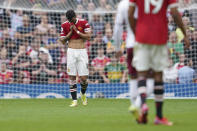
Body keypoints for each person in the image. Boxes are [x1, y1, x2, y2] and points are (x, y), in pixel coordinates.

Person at [128, 0, 190, 126]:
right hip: (159, 37)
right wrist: (184, 33)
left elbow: (130, 14)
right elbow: (175, 13)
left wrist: (137, 32)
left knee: (142, 73)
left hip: (142, 36)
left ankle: (143, 104)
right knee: (158, 75)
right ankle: (159, 116)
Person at [113, 0, 154, 121]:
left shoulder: (123, 4)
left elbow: (117, 27)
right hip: (146, 44)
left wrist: (117, 47)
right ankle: (137, 105)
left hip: (130, 45)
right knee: (152, 78)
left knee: (134, 78)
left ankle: (138, 113)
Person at [59, 9, 92, 107]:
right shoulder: (64, 25)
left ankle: (83, 93)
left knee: (84, 78)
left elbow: (89, 37)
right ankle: (74, 100)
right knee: (72, 77)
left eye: (71, 19)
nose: (70, 21)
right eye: (69, 20)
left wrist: (76, 31)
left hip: (82, 51)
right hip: (71, 52)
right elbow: (62, 41)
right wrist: (70, 32)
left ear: (75, 16)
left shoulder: (84, 23)